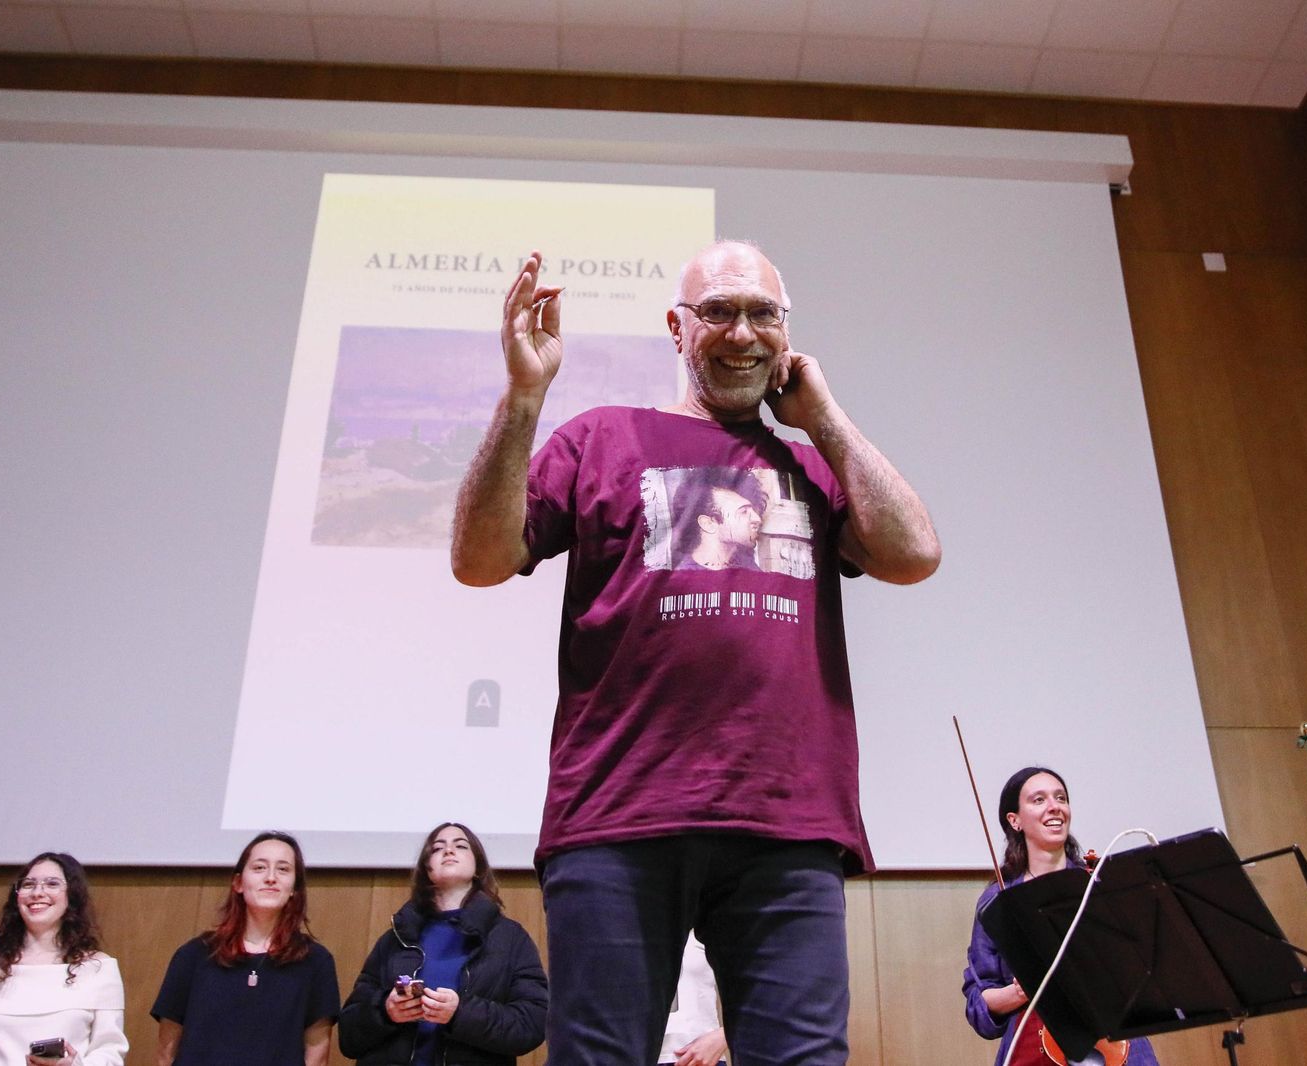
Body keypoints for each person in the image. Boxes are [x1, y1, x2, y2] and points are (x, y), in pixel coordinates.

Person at [450, 242, 940, 1066]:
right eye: (718, 311)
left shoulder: (814, 466)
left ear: (788, 335)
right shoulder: (602, 438)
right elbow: (479, 559)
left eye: (763, 314)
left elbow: (915, 554)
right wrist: (525, 396)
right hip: (617, 813)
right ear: (676, 329)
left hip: (789, 819)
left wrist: (822, 416)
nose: (741, 332)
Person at [962, 767, 1160, 1066]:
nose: (1055, 807)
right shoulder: (997, 901)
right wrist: (1018, 992)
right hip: (1031, 1049)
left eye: (1061, 798)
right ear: (1014, 820)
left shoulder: (1098, 883)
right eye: (1038, 800)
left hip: (1116, 1044)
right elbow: (980, 1003)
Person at [338, 821, 546, 1066]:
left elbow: (532, 1025)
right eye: (437, 848)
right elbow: (348, 1036)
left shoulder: (510, 938)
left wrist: (460, 1014)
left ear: (478, 866)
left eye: (460, 846)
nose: (448, 851)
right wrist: (385, 1011)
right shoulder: (395, 937)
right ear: (427, 869)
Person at [152, 831, 338, 1066]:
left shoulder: (315, 962)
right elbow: (166, 1051)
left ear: (294, 888)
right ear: (238, 883)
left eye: (283, 869)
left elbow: (317, 1054)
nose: (271, 878)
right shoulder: (194, 955)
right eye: (259, 868)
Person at [0, 852, 126, 1066]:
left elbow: (110, 1052)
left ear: (71, 895)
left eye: (52, 884)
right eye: (28, 885)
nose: (38, 892)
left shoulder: (98, 969)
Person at [668, 468, 766, 571]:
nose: (758, 519)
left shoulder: (746, 564)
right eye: (744, 512)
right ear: (708, 524)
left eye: (753, 511)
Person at [659, 933, 726, 1066]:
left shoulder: (712, 929)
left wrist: (723, 1037)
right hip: (636, 1053)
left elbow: (757, 994)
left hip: (703, 1057)